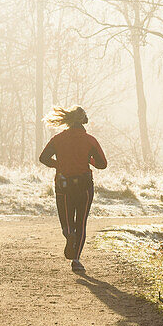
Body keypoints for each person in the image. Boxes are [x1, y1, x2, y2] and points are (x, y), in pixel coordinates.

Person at [39, 105, 107, 272]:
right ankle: (76, 260)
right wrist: (89, 160)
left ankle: (68, 232)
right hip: (84, 184)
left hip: (63, 183)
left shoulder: (58, 139)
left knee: (67, 218)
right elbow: (102, 164)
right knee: (81, 222)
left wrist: (58, 165)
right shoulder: (90, 140)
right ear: (83, 121)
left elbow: (43, 158)